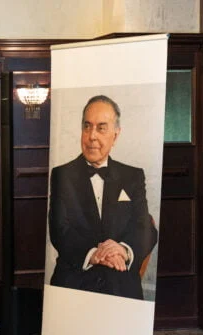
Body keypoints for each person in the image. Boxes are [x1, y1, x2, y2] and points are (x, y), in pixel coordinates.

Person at [48, 95, 158, 300]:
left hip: (120, 281)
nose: (92, 136)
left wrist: (123, 250)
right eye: (87, 126)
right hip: (75, 281)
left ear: (115, 135)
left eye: (101, 128)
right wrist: (94, 254)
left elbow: (145, 228)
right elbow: (59, 229)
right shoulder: (61, 175)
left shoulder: (133, 176)